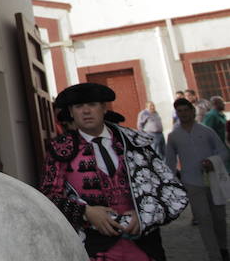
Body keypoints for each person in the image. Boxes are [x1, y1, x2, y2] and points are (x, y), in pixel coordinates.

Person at [40, 83, 187, 261]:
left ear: (103, 108)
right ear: (71, 112)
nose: (86, 111)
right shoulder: (60, 148)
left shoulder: (135, 142)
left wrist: (144, 215)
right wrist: (86, 212)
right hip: (94, 246)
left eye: (92, 105)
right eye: (79, 106)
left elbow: (172, 191)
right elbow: (48, 196)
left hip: (144, 244)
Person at [166, 98, 230, 261]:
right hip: (192, 182)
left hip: (213, 180)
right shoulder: (174, 136)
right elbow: (170, 162)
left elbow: (224, 152)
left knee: (219, 218)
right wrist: (171, 183)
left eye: (186, 110)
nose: (183, 114)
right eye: (179, 111)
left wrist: (212, 161)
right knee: (204, 218)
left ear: (192, 111)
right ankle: (214, 254)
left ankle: (223, 247)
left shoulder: (206, 131)